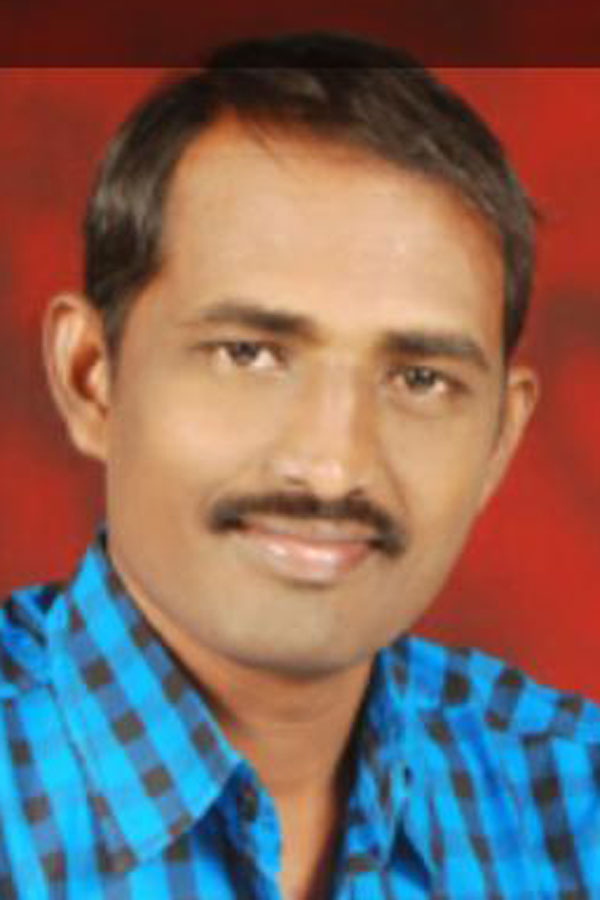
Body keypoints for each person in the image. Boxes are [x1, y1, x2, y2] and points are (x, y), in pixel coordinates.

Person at [1, 30, 599, 900]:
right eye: (248, 353)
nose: (331, 467)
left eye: (419, 379)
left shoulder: (573, 803)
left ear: (499, 440)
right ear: (91, 378)